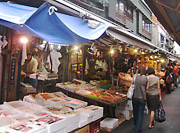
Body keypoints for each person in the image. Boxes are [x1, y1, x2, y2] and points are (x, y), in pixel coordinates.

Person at [132, 65, 148, 133]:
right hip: (142, 98)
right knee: (140, 113)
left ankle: (136, 125)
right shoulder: (146, 78)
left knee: (135, 112)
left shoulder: (135, 76)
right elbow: (147, 88)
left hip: (135, 97)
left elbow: (132, 84)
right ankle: (138, 129)